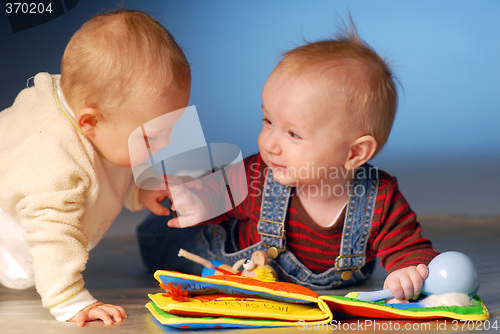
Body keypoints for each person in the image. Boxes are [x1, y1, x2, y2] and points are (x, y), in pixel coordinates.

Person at [137, 21, 439, 303]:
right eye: (267, 121)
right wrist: (196, 201)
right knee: (163, 236)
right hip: (211, 255)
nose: (270, 144)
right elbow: (220, 192)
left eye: (294, 134)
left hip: (298, 290)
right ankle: (156, 228)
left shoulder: (379, 200)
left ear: (355, 153)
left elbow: (410, 248)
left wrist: (408, 270)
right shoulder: (260, 175)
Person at [0, 10, 190, 326]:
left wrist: (138, 191)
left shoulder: (95, 119)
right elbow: (53, 235)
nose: (165, 143)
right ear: (90, 121)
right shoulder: (53, 161)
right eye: (151, 136)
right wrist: (71, 301)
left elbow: (106, 162)